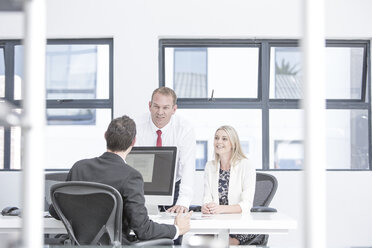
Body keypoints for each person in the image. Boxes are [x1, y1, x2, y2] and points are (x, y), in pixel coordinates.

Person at [50, 115, 192, 244]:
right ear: (133, 141)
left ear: (105, 136)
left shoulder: (79, 167)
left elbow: (55, 211)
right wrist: (176, 229)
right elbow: (143, 230)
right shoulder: (131, 176)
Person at [135, 87, 196, 214]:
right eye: (156, 106)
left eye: (165, 108)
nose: (160, 112)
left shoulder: (185, 128)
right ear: (149, 105)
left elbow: (187, 166)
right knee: (143, 228)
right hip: (144, 184)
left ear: (174, 109)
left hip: (174, 185)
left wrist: (183, 202)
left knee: (175, 229)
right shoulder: (137, 126)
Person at [202, 125, 262, 245]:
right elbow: (207, 197)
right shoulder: (210, 166)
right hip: (216, 222)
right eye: (216, 138)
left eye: (224, 139)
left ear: (233, 143)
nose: (219, 141)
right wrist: (206, 207)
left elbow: (246, 204)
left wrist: (220, 209)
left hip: (240, 225)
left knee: (225, 243)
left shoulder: (246, 165)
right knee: (197, 240)